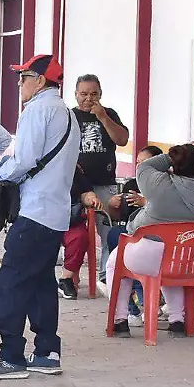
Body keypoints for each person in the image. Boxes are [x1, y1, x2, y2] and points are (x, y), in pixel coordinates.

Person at [0, 55, 79, 381]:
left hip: (34, 211)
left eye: (24, 77)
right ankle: (46, 352)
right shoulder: (67, 114)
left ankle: (10, 356)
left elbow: (23, 159)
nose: (19, 83)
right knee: (42, 281)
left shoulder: (37, 110)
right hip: (55, 213)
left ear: (40, 81)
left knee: (13, 281)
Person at [106, 144, 194, 337]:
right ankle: (176, 320)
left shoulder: (159, 184)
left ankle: (120, 320)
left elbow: (144, 166)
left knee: (116, 262)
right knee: (175, 255)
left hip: (148, 257)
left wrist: (172, 155)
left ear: (173, 164)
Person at [70, 74, 129, 285]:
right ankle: (71, 276)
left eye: (93, 94)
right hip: (75, 185)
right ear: (76, 94)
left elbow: (122, 140)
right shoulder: (69, 116)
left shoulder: (109, 114)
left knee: (108, 231)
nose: (88, 99)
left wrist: (103, 118)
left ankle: (106, 277)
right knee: (74, 232)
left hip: (104, 183)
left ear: (100, 94)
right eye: (84, 94)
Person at [103, 145, 164, 324]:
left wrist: (145, 202)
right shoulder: (132, 184)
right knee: (116, 235)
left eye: (145, 162)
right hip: (132, 233)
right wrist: (112, 205)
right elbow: (118, 217)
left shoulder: (166, 184)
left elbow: (167, 210)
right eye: (137, 162)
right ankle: (134, 305)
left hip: (158, 236)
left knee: (132, 255)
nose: (140, 167)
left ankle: (141, 304)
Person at [57, 167, 104, 300]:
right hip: (42, 219)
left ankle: (66, 279)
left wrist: (91, 199)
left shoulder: (73, 169)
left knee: (80, 237)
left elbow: (85, 192)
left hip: (70, 220)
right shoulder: (37, 166)